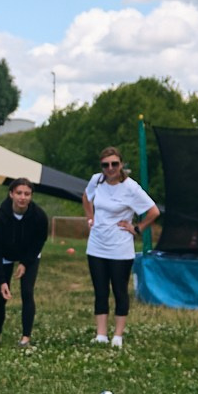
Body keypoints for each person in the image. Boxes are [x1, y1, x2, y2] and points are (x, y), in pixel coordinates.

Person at [82, 145, 159, 348]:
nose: (110, 168)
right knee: (100, 290)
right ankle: (100, 334)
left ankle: (118, 335)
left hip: (120, 248)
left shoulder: (131, 187)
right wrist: (90, 218)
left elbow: (153, 211)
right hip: (96, 245)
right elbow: (85, 196)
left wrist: (137, 228)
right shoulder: (96, 180)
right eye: (105, 165)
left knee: (119, 290)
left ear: (121, 164)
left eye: (114, 164)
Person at [0, 177, 48, 347]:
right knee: (1, 296)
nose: (23, 197)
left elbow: (39, 242)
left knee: (27, 293)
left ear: (31, 196)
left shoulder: (39, 216)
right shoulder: (0, 217)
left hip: (29, 254)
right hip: (5, 254)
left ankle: (25, 338)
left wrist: (25, 263)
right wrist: (1, 281)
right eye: (19, 193)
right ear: (11, 194)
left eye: (27, 194)